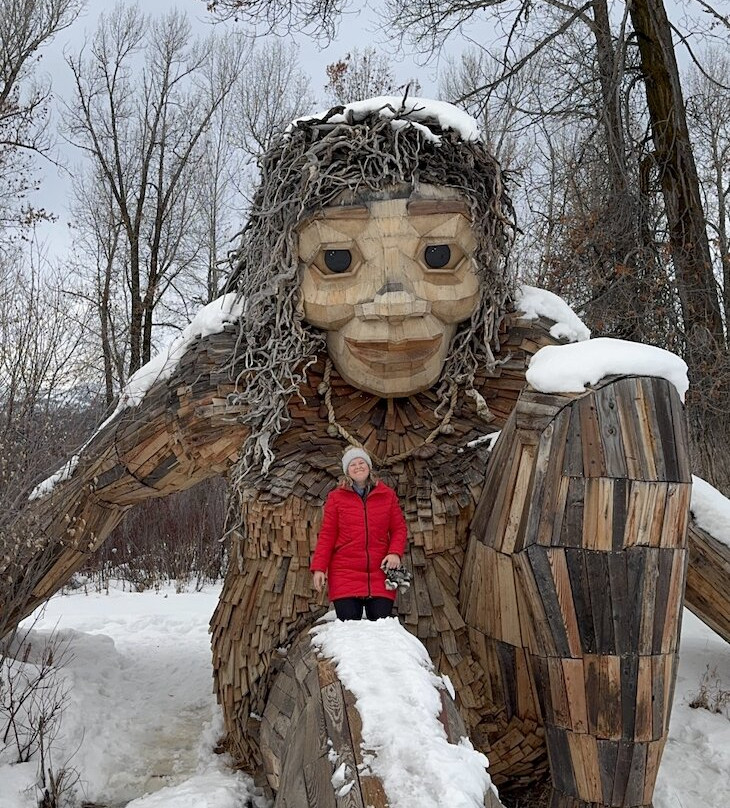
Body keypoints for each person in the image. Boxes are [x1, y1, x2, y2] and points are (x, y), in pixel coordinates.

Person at [311, 447, 408, 620]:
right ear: (347, 471)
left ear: (369, 466)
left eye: (361, 462)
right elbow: (327, 535)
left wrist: (394, 553)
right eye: (352, 464)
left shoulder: (387, 495)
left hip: (379, 572)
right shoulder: (336, 498)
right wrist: (319, 568)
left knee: (381, 625)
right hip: (345, 572)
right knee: (349, 627)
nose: (358, 467)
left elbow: (399, 528)